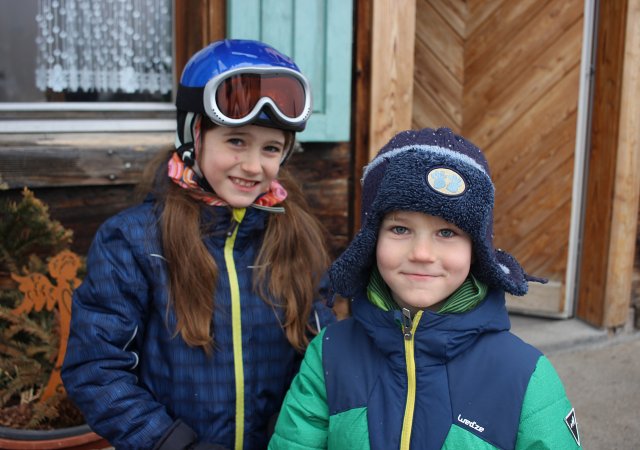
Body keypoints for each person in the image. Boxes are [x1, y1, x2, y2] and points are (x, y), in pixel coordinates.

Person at [61, 39, 336, 450]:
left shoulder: (296, 238)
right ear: (195, 134)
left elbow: (320, 362)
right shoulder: (134, 241)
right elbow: (96, 368)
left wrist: (293, 434)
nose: (253, 166)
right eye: (236, 141)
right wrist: (172, 443)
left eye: (271, 148)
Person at [269, 127, 582, 449]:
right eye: (400, 229)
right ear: (371, 240)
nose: (421, 254)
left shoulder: (524, 375)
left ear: (477, 251)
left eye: (446, 233)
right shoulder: (330, 354)